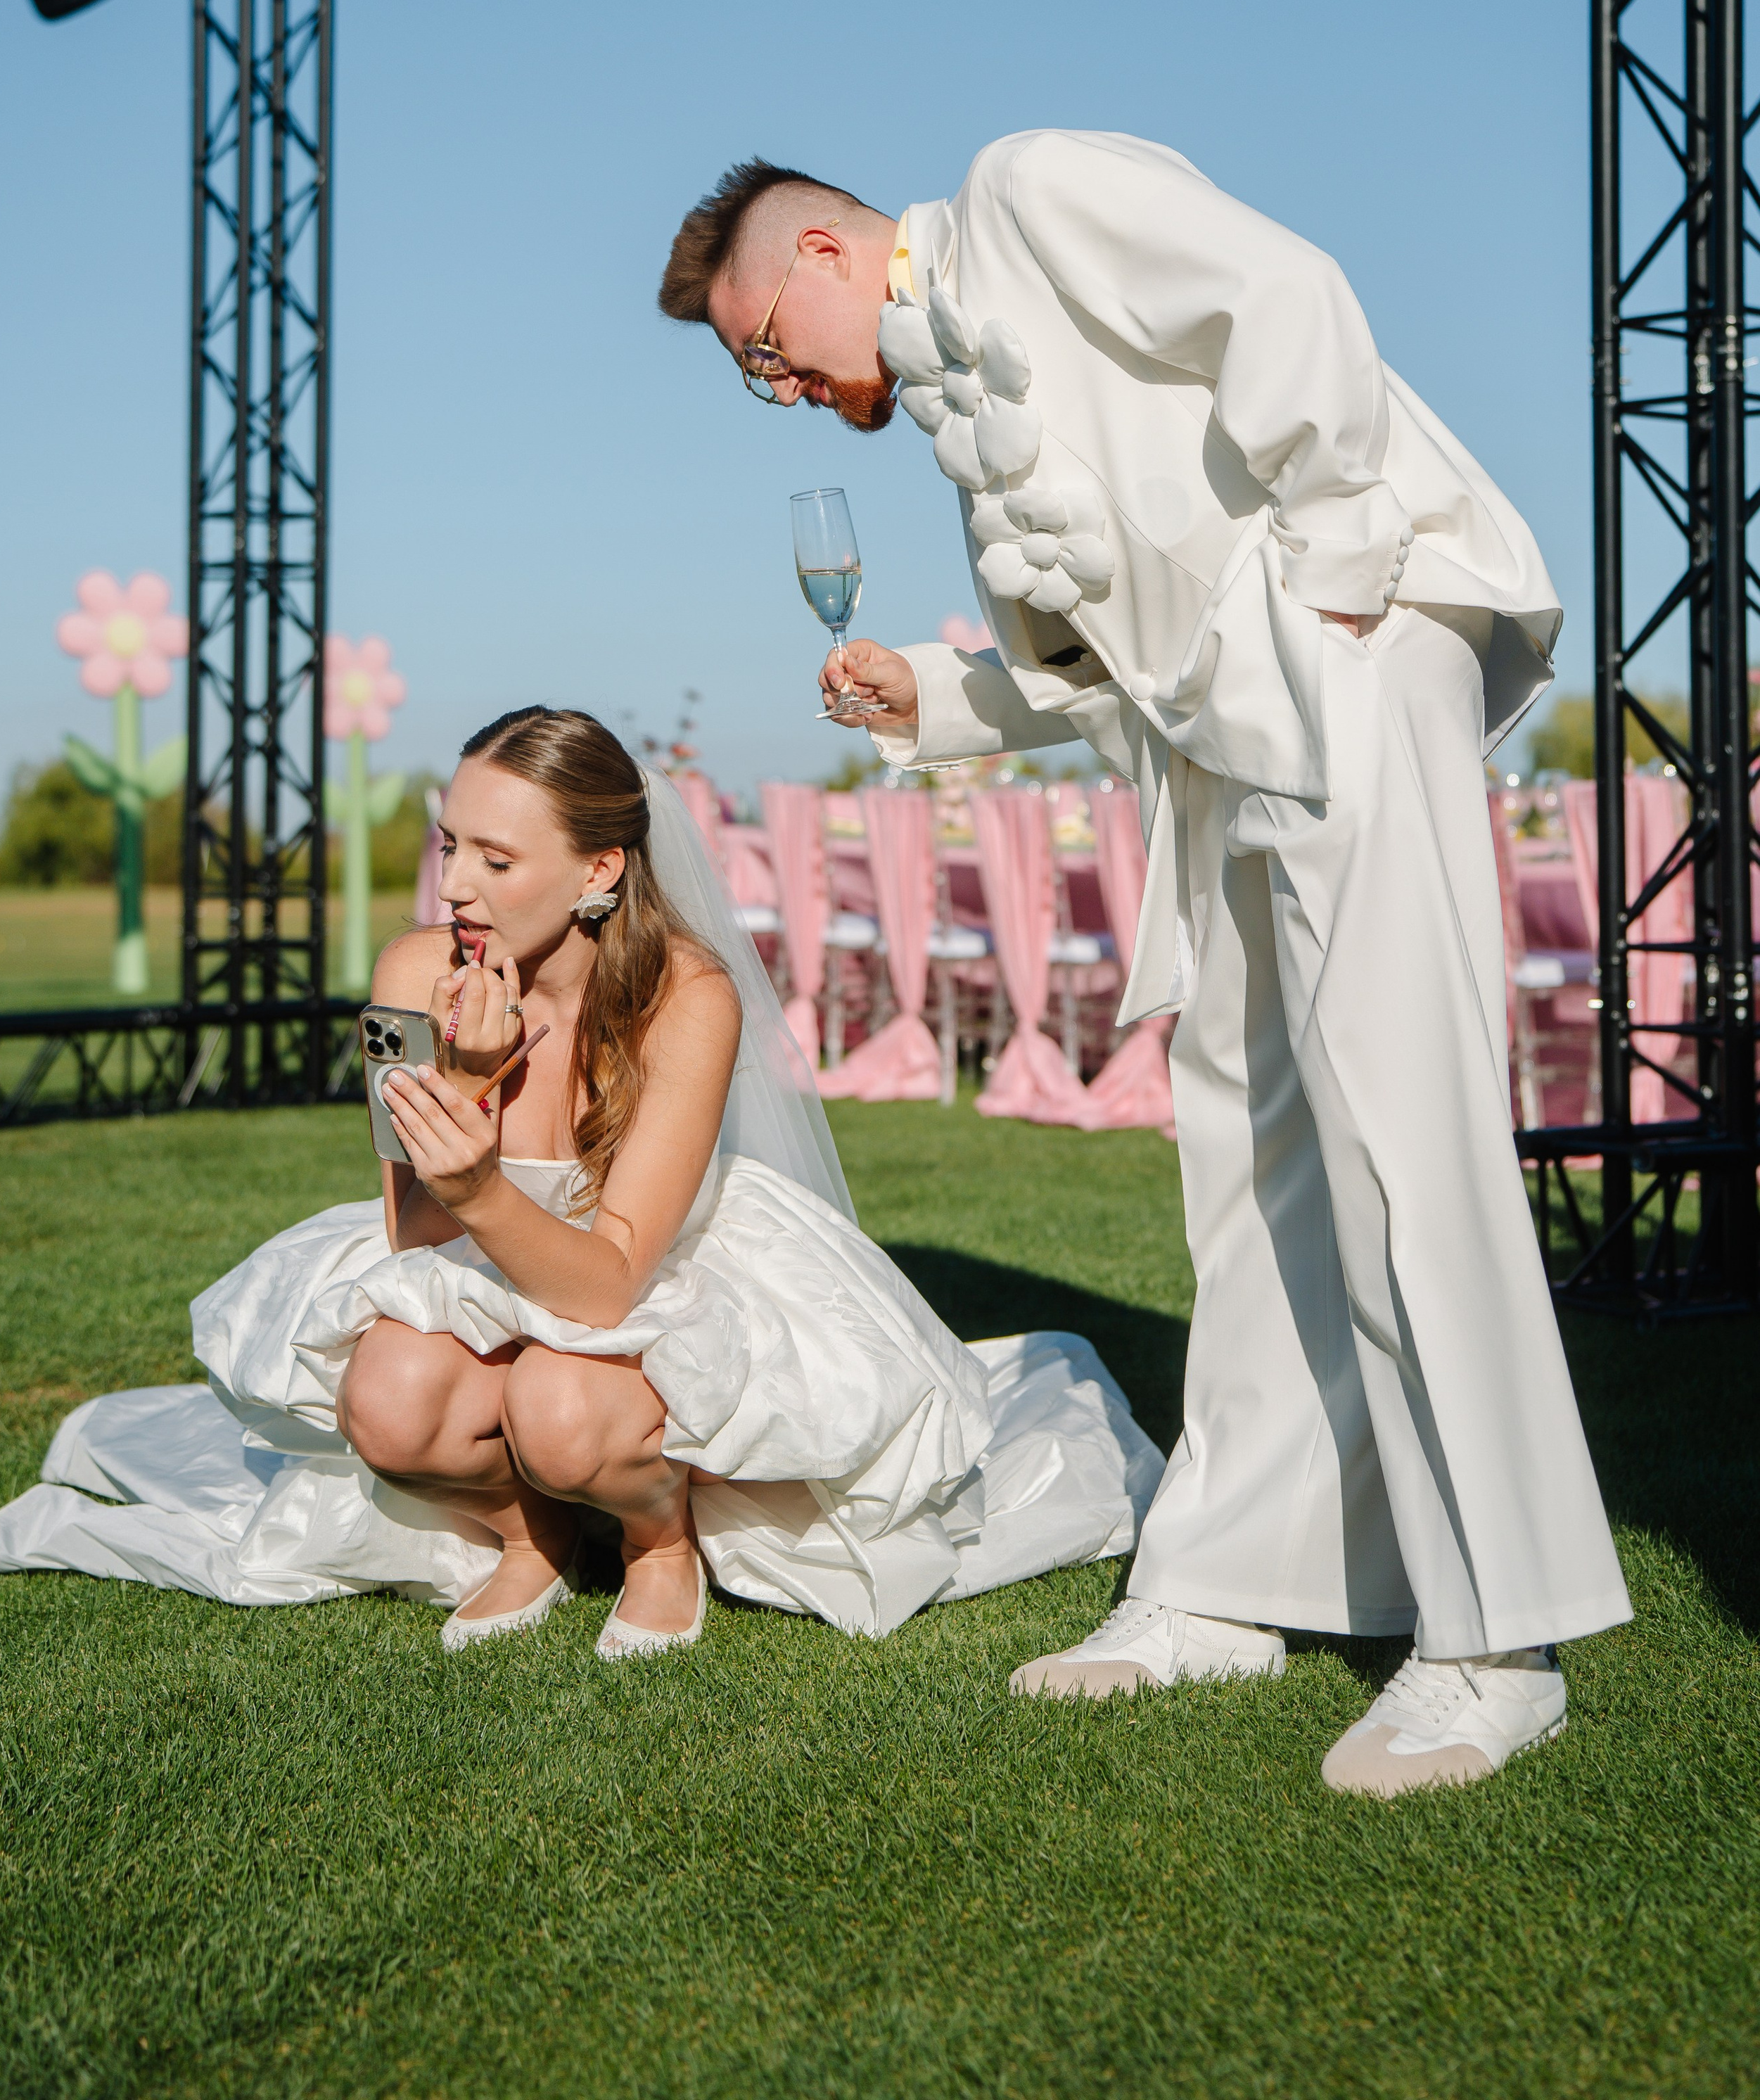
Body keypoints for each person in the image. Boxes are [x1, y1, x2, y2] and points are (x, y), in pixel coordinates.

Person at [656, 135, 1633, 1796]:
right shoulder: (952, 394)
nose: (790, 393)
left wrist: (1334, 565)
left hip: (1350, 646)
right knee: (1247, 1158)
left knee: (1402, 1137)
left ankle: (1494, 1639)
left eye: (766, 354)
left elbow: (1283, 300)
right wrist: (935, 700)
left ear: (819, 251)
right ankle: (1227, 1585)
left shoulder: (1033, 187)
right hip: (1213, 745)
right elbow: (1106, 650)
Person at [0, 708, 1160, 1654]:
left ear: (598, 870)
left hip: (644, 1281)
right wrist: (469, 1082)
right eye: (449, 846)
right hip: (461, 1264)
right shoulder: (409, 974)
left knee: (562, 1403)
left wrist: (488, 1169)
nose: (455, 888)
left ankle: (656, 1542)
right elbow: (410, 1232)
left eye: (496, 858)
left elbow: (607, 1288)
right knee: (386, 1400)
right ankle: (533, 1530)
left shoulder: (684, 999)